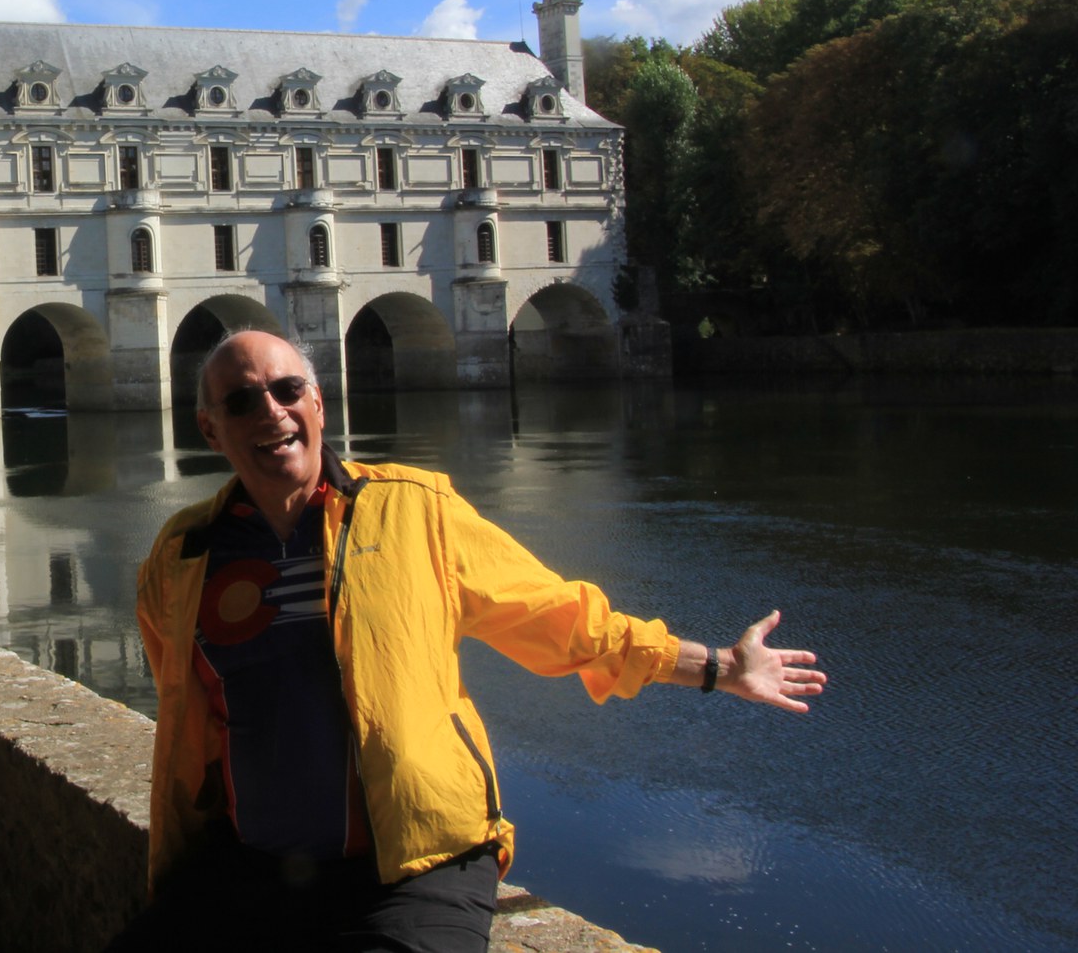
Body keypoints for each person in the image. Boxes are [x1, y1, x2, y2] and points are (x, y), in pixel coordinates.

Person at [119, 330, 825, 953]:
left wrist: (717, 665)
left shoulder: (413, 509)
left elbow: (560, 616)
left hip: (423, 862)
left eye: (286, 388)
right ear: (212, 430)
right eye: (242, 401)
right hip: (259, 863)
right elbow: (189, 708)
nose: (270, 410)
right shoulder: (184, 556)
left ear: (318, 403)